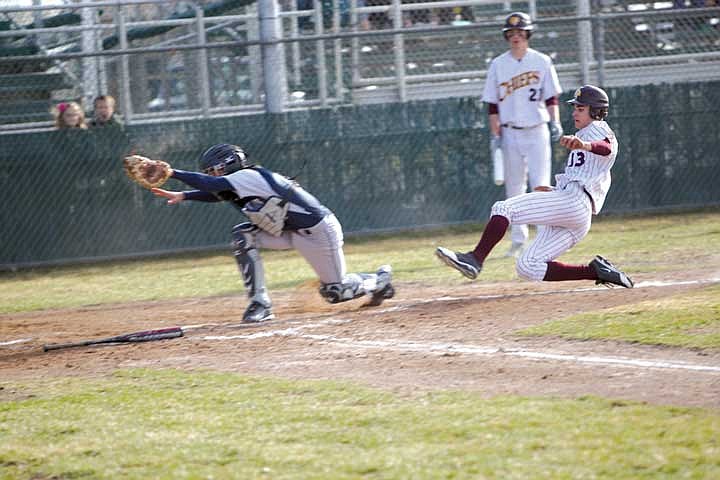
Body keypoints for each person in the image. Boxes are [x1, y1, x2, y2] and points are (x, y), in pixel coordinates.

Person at [150, 143, 395, 323]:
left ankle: (378, 281)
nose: (212, 176)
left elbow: (214, 186)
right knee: (243, 235)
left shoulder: (249, 175)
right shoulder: (240, 183)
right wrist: (183, 195)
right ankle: (260, 304)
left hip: (318, 232)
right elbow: (218, 192)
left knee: (335, 293)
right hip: (288, 231)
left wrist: (173, 173)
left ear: (230, 163)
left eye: (215, 170)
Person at [436, 85, 634, 289]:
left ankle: (475, 259)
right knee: (528, 267)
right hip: (576, 212)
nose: (574, 112)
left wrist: (584, 145)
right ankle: (595, 271)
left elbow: (607, 148)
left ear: (595, 110)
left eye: (580, 108)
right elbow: (584, 175)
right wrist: (555, 190)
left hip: (575, 203)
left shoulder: (598, 128)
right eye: (575, 107)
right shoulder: (583, 134)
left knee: (503, 208)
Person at [482, 12, 563, 258]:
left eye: (520, 33)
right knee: (514, 187)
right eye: (511, 34)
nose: (515, 37)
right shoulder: (498, 64)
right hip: (510, 132)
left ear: (527, 34)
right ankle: (518, 239)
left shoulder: (542, 61)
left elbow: (551, 97)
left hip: (537, 128)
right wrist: (494, 131)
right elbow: (492, 104)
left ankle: (544, 239)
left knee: (541, 184)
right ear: (506, 37)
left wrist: (555, 121)